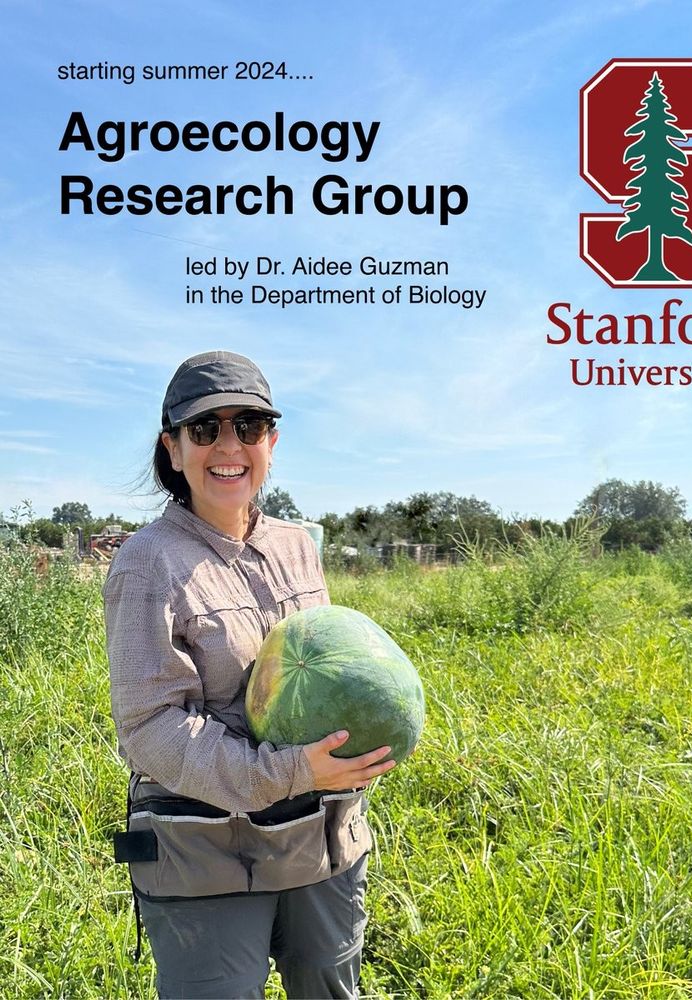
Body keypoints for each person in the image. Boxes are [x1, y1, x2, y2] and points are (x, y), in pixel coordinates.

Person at [105, 350, 395, 1000]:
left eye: (249, 426)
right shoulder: (147, 564)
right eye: (204, 430)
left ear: (272, 442)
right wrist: (290, 771)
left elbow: (323, 667)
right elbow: (152, 731)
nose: (228, 445)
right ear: (172, 449)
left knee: (329, 985)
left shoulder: (296, 545)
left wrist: (367, 730)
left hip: (321, 836)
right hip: (205, 852)